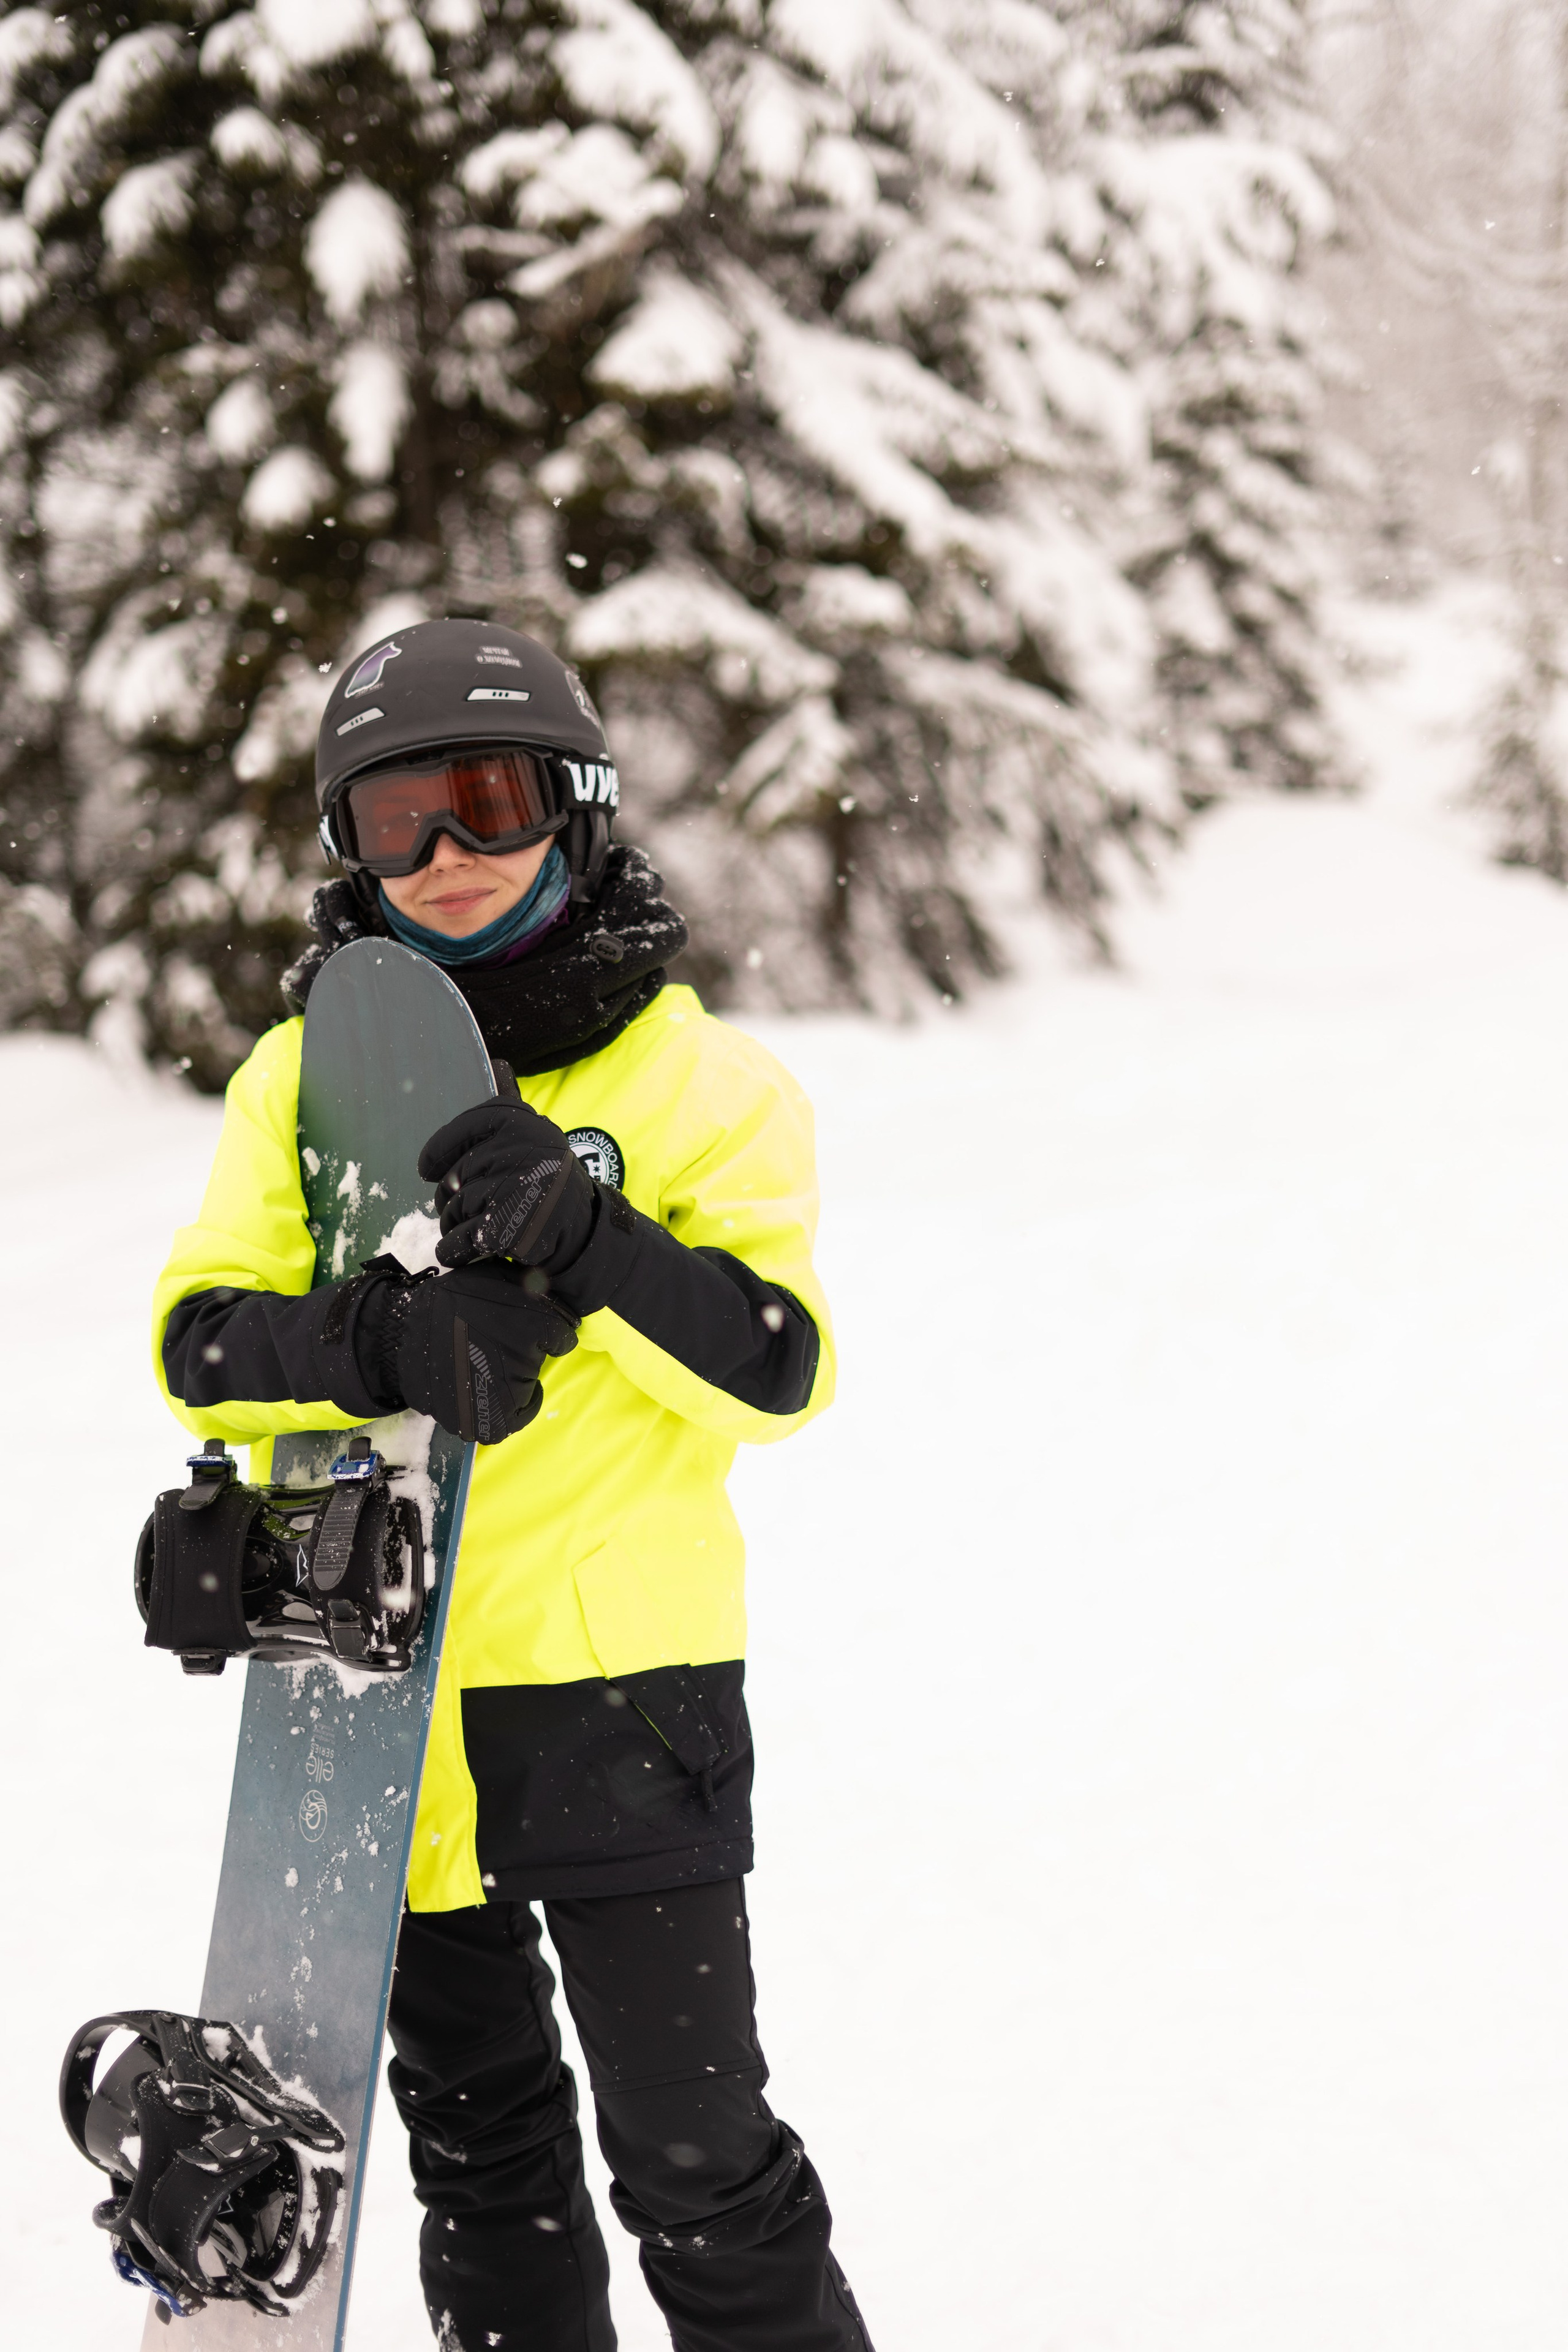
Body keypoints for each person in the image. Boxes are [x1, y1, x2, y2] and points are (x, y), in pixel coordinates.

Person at [150, 619, 873, 2352]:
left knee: (699, 2163)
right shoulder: (301, 1083)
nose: (445, 860)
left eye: (485, 804)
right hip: (378, 1697)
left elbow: (777, 1370)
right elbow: (200, 1339)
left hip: (622, 1694)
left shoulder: (700, 1084)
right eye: (390, 823)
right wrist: (375, 1344)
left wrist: (596, 1241)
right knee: (485, 2163)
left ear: (581, 807)